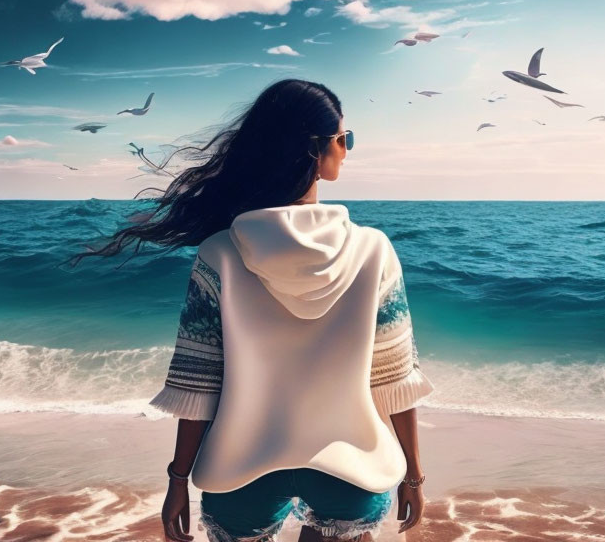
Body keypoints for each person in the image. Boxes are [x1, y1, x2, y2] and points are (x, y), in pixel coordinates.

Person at [70, 79, 434, 541]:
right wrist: (414, 475)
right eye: (345, 139)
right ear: (319, 151)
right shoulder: (374, 250)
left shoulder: (219, 254)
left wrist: (178, 479)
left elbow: (199, 383)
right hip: (353, 473)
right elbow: (394, 380)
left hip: (240, 471)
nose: (347, 150)